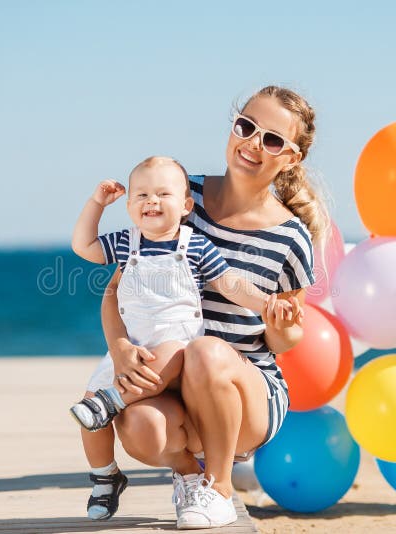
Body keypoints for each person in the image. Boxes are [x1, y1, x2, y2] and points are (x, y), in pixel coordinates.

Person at [101, 86, 328, 529]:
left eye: (272, 140)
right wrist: (121, 350)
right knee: (137, 425)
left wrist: (280, 321)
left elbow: (284, 339)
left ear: (291, 158)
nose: (252, 143)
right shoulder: (181, 198)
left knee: (205, 350)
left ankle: (220, 487)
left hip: (247, 393)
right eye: (246, 127)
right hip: (176, 382)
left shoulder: (291, 237)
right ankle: (189, 473)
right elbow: (116, 292)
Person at [69, 156, 298, 521]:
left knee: (169, 355)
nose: (151, 201)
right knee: (89, 406)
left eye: (163, 193)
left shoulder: (194, 246)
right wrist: (96, 204)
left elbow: (230, 284)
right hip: (132, 350)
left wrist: (267, 302)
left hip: (178, 349)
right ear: (129, 207)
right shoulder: (126, 244)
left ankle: (116, 400)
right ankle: (104, 476)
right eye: (141, 194)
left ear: (186, 205)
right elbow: (84, 247)